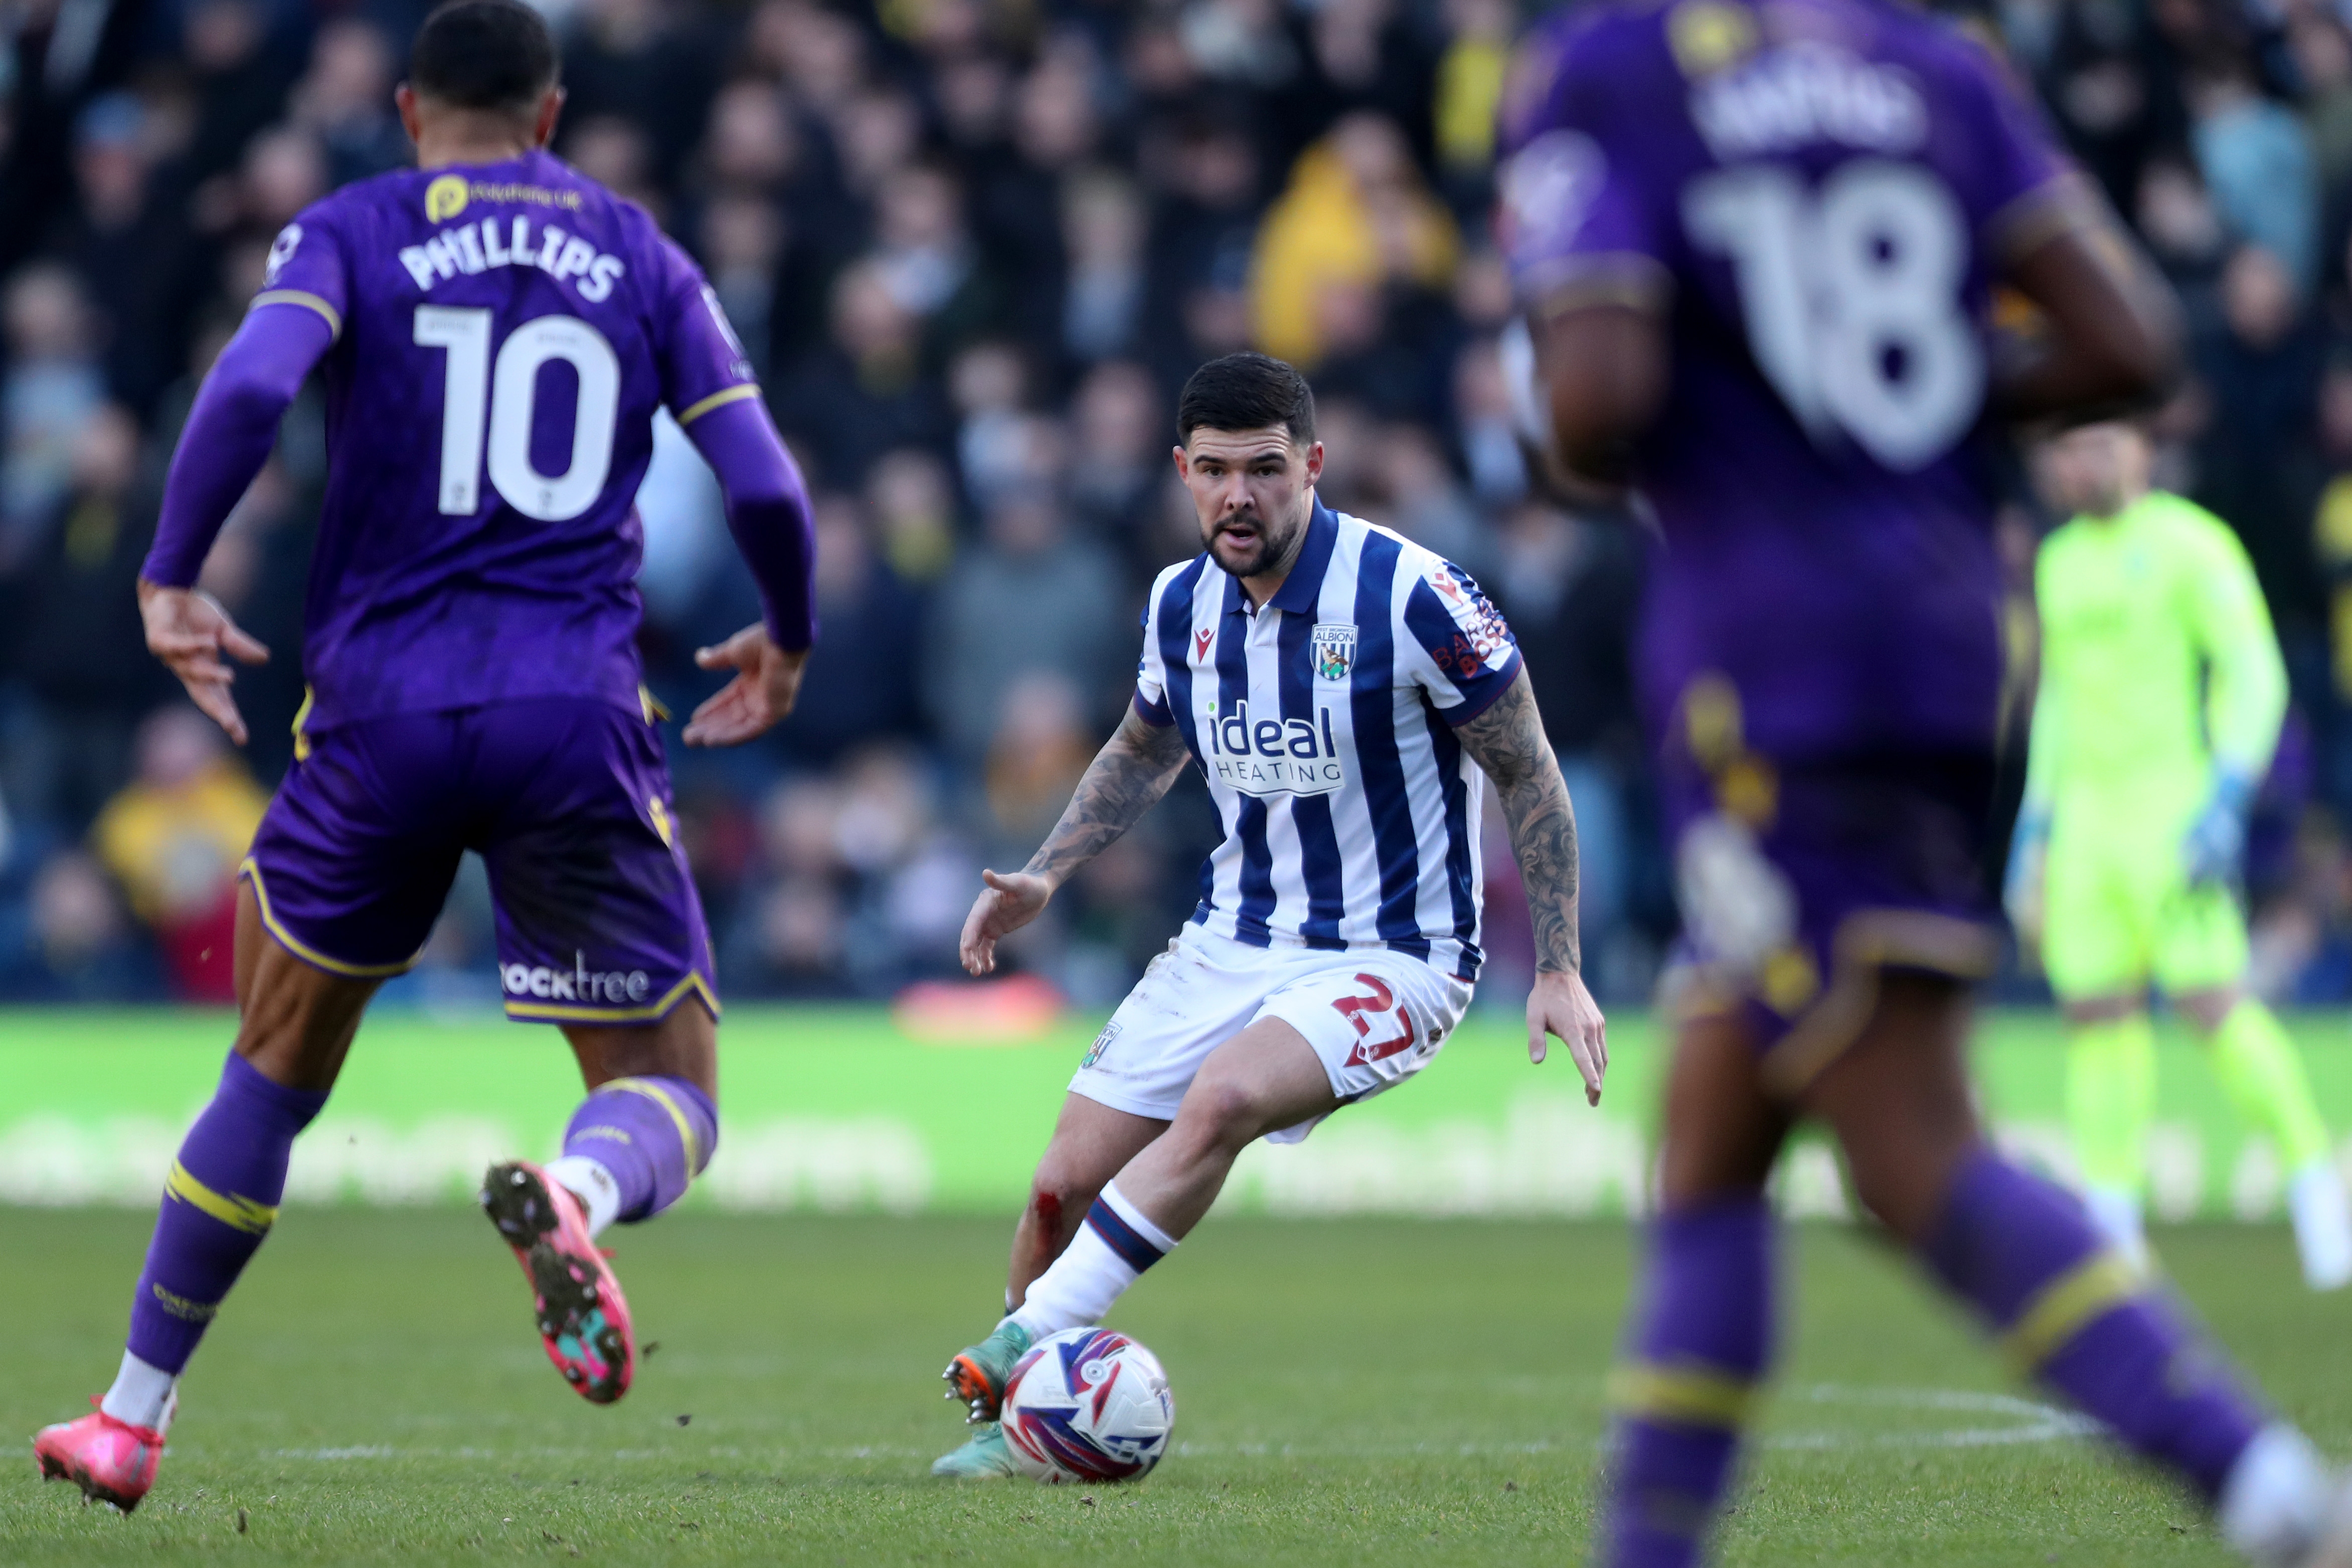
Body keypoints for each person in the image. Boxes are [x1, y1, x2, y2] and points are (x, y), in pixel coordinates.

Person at [1505, 0, 2352, 1562]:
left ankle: (2264, 1485)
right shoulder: (1936, 69)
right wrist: (1926, 425)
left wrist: (1756, 420)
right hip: (1951, 645)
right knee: (1713, 1134)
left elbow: (1594, 407)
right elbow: (2126, 343)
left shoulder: (1611, 67)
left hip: (1770, 669)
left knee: (1909, 1150)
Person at [34, 0, 817, 1512]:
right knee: (676, 1090)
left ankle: (130, 1417)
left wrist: (171, 569)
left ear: (406, 108)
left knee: (271, 1069)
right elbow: (765, 479)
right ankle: (579, 1195)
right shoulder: (641, 251)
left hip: (377, 716)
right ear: (551, 112)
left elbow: (253, 388)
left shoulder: (351, 227)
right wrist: (784, 633)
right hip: (568, 710)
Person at [927, 351, 1608, 1478]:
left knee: (1226, 1096)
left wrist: (1558, 962)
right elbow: (1147, 744)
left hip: (1398, 953)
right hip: (1230, 938)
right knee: (1055, 1189)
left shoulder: (1414, 595)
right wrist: (1049, 871)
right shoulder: (1177, 602)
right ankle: (1019, 1435)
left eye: (1263, 470)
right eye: (1212, 472)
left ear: (1313, 467)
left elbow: (1529, 770)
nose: (1236, 496)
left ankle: (1018, 1343)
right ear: (1180, 473)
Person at [2011, 420, 2352, 1287]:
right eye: (2063, 448)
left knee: (2213, 1004)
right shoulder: (2057, 562)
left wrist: (2227, 795)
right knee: (2095, 1021)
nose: (2073, 461)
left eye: (2090, 442)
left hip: (2172, 815)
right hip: (2084, 832)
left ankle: (2316, 1181)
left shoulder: (2192, 547)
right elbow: (2052, 706)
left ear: (2135, 445)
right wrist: (2035, 830)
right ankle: (2114, 1230)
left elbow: (2255, 671)